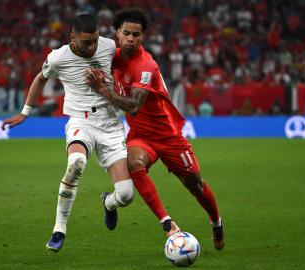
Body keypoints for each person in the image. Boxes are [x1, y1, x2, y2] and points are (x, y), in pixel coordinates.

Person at [86, 7, 225, 250]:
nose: (131, 38)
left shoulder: (146, 65)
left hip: (169, 136)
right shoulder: (113, 56)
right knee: (134, 163)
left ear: (142, 37)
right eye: (126, 33)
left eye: (136, 35)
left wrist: (103, 90)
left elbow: (133, 107)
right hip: (141, 136)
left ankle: (216, 221)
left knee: (195, 185)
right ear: (117, 33)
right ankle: (167, 222)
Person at [1, 14, 134, 252]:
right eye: (86, 42)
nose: (92, 46)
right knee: (76, 163)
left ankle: (108, 203)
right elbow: (40, 78)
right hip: (81, 122)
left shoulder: (109, 46)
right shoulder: (58, 58)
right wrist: (25, 112)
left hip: (111, 124)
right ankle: (59, 229)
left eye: (95, 40)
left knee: (125, 195)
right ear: (72, 37)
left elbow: (130, 65)